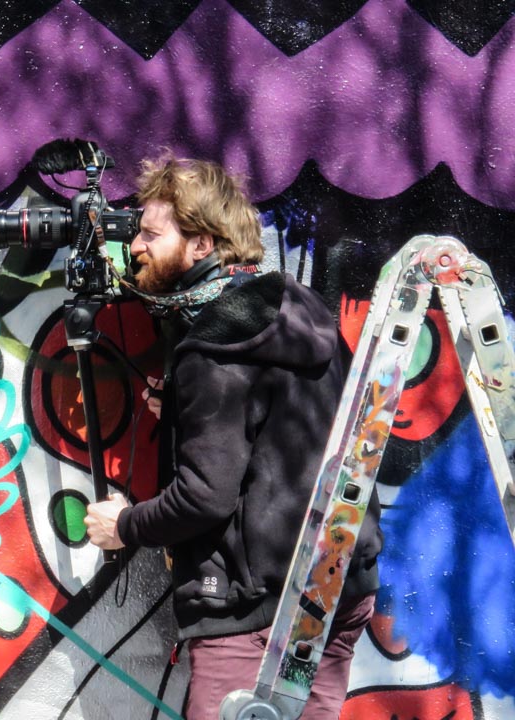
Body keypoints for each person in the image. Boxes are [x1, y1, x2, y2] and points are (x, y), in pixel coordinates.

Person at [83, 154, 382, 720]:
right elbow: (285, 426)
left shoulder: (213, 345)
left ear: (201, 245)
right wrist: (186, 409)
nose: (136, 247)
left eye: (151, 234)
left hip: (254, 613)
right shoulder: (300, 308)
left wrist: (123, 525)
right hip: (337, 588)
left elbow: (204, 497)